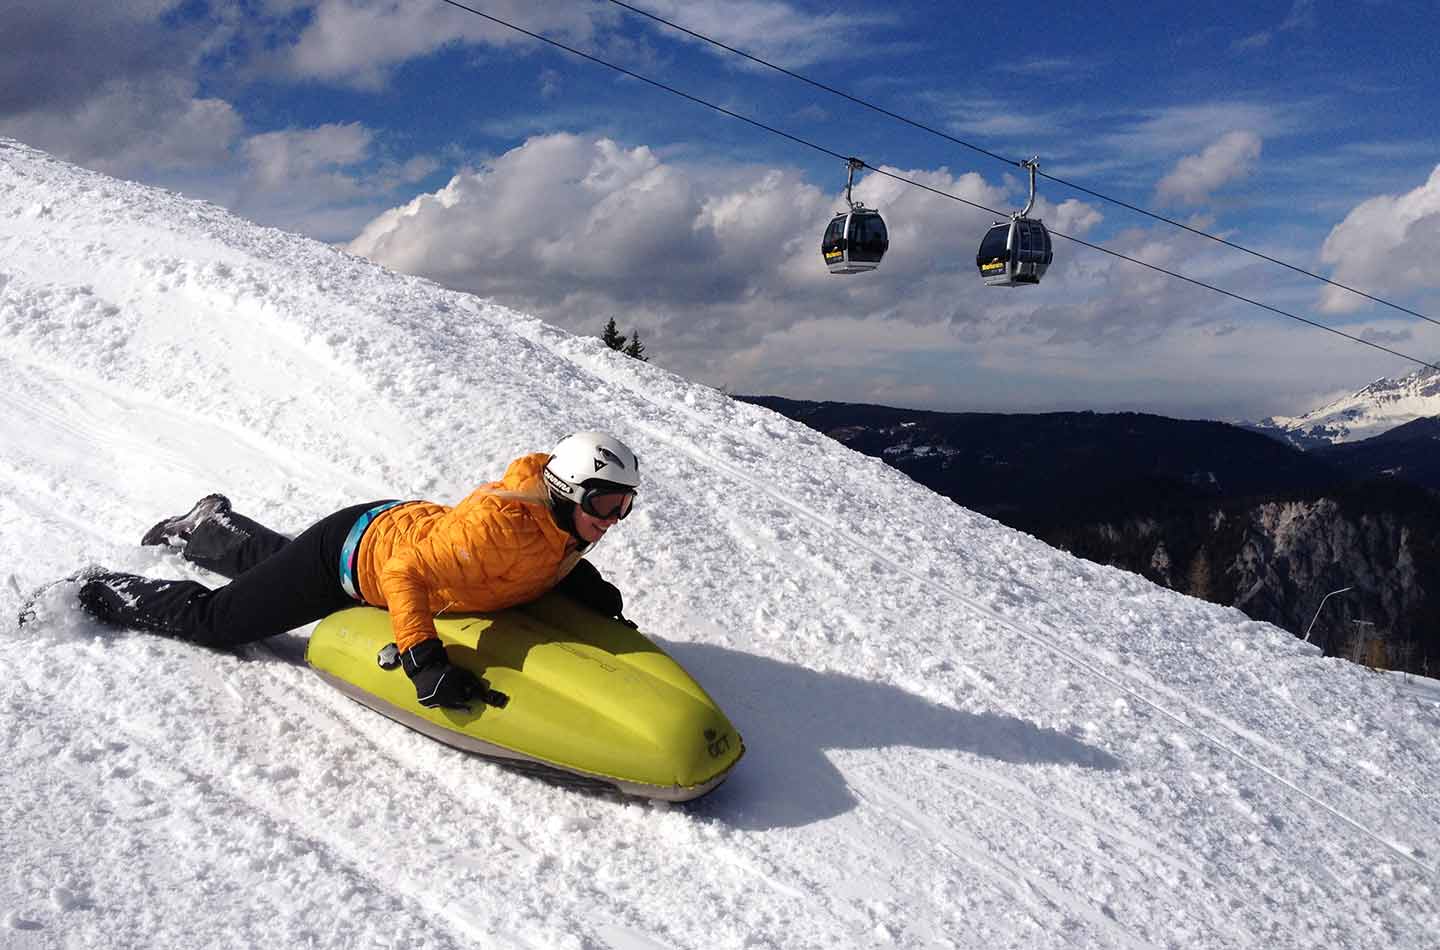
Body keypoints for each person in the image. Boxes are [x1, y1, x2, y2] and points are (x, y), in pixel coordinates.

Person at [74, 431, 641, 711]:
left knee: (278, 569)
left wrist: (583, 587)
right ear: (566, 493)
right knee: (220, 622)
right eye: (604, 504)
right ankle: (97, 588)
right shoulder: (498, 527)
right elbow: (402, 573)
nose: (613, 519)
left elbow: (528, 562)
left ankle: (208, 528)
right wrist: (422, 659)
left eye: (624, 505)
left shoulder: (564, 523)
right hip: (349, 557)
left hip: (392, 528)